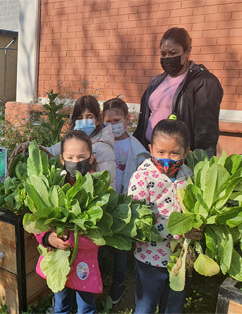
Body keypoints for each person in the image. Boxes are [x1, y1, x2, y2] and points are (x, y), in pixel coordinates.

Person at [128, 119, 203, 313]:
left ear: (186, 152)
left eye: (174, 153)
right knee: (145, 307)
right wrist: (180, 233)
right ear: (151, 149)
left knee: (173, 307)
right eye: (161, 152)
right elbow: (140, 225)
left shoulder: (188, 175)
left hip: (178, 260)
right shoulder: (141, 178)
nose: (167, 158)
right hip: (149, 260)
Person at [35, 130, 100, 314]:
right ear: (62, 159)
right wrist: (48, 238)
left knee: (86, 306)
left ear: (91, 158)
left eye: (82, 156)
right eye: (70, 157)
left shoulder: (97, 186)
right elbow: (37, 220)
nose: (76, 161)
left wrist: (71, 238)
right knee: (61, 304)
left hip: (84, 259)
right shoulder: (54, 183)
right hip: (58, 255)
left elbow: (100, 232)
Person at [134, 27, 223, 157]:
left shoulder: (203, 82)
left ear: (187, 51)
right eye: (163, 54)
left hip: (177, 159)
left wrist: (200, 164)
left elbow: (206, 133)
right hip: (150, 153)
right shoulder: (157, 81)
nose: (167, 58)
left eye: (173, 52)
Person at [101, 98, 150, 304]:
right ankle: (99, 280)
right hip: (104, 204)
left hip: (125, 205)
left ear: (128, 119)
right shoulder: (101, 143)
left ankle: (118, 284)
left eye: (117, 119)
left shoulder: (136, 149)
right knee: (101, 247)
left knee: (121, 249)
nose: (113, 125)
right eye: (108, 121)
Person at [12, 95, 116, 189]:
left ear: (97, 120)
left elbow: (108, 183)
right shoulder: (70, 142)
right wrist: (30, 146)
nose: (84, 121)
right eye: (80, 118)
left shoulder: (103, 149)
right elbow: (51, 152)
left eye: (89, 117)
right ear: (74, 121)